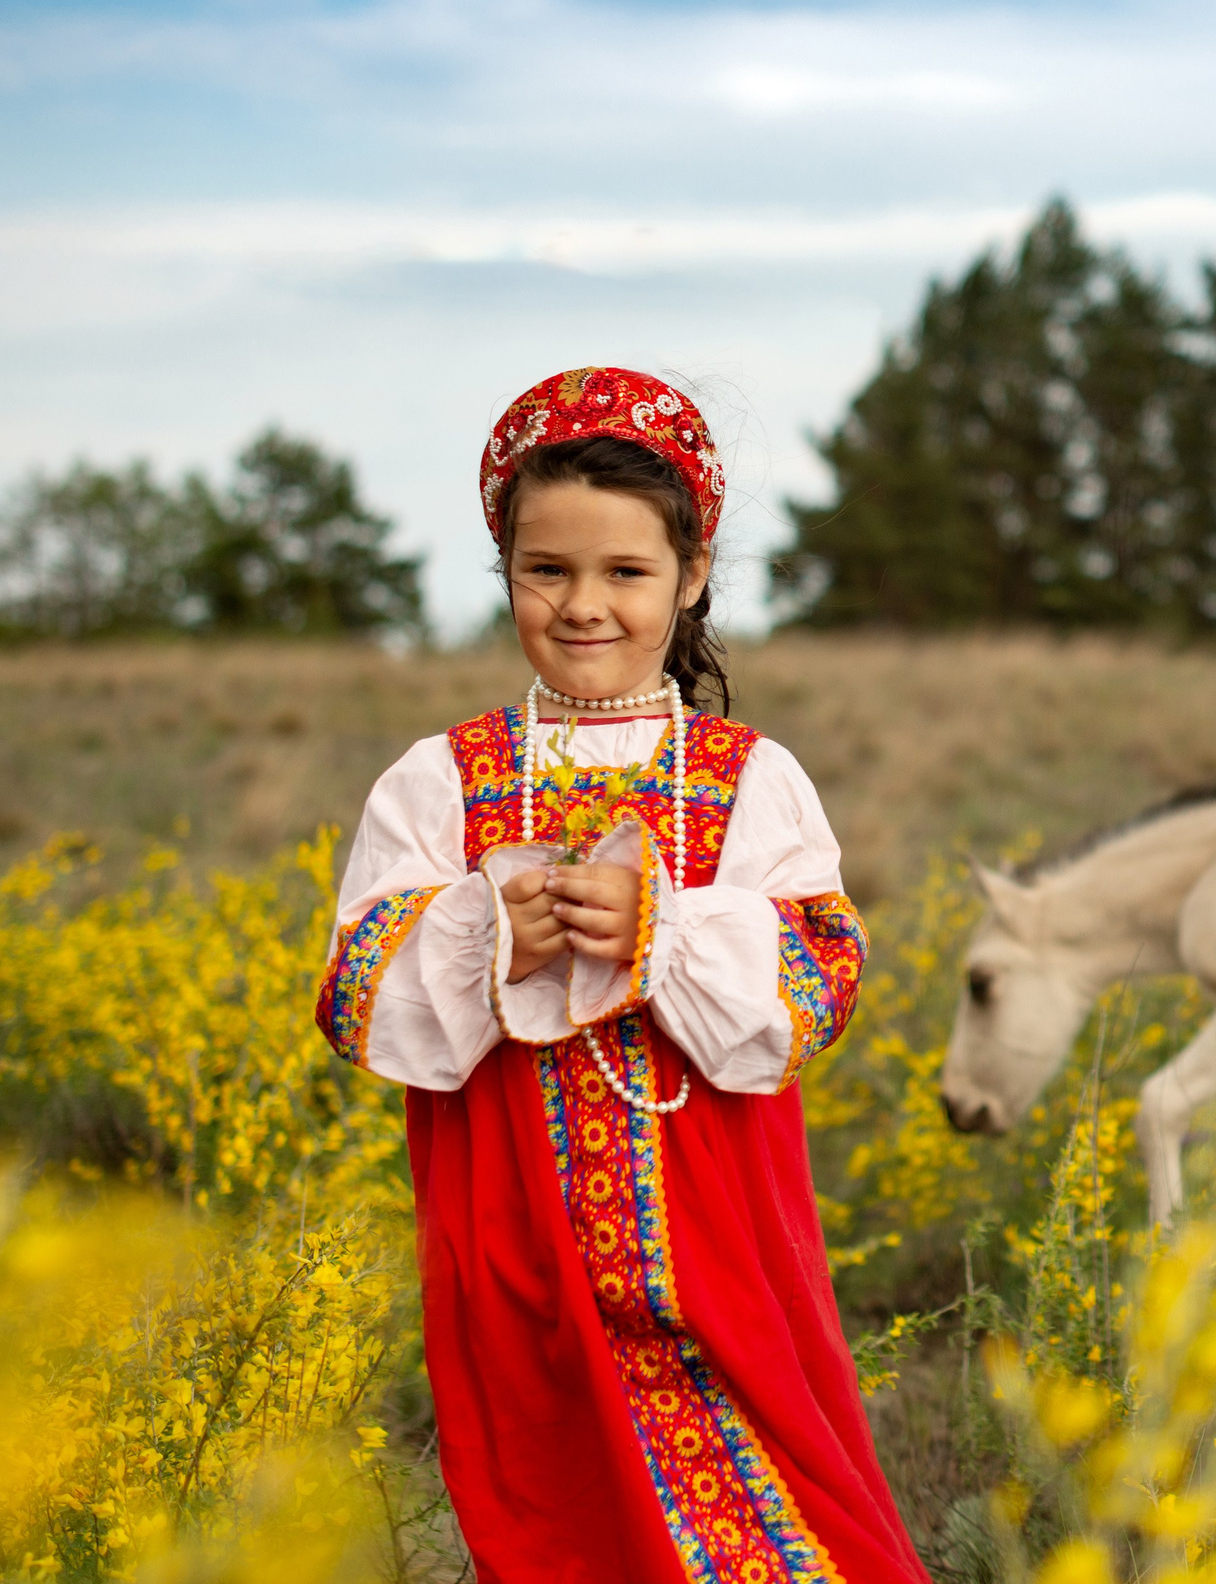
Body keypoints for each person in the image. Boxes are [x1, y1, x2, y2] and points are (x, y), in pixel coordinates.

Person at [315, 367, 928, 1583]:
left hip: (718, 1239)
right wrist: (495, 932)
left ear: (689, 577)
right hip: (513, 1237)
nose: (583, 604)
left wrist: (667, 931)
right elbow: (355, 995)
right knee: (554, 1523)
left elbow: (815, 984)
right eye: (547, 570)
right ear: (505, 573)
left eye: (625, 574)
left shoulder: (748, 778)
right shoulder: (444, 778)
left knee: (780, 1537)